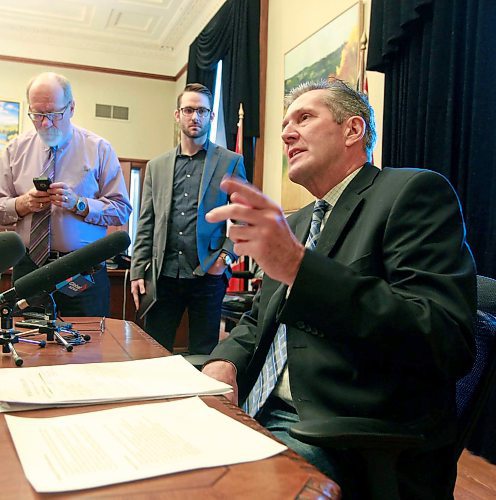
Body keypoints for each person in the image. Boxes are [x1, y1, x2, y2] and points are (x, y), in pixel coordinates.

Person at [202, 79, 476, 499]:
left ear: (353, 130)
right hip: (253, 408)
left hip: (341, 433)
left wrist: (299, 267)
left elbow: (442, 337)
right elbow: (259, 320)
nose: (286, 133)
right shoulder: (295, 223)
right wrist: (226, 363)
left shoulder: (412, 193)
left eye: (305, 118)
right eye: (285, 124)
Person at [0, 72, 132, 316]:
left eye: (53, 114)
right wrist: (22, 204)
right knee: (27, 345)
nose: (45, 123)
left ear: (71, 108)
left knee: (87, 347)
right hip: (29, 268)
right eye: (37, 115)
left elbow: (122, 210)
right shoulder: (14, 150)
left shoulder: (99, 149)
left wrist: (80, 204)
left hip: (83, 270)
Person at [130, 83, 246, 355]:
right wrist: (138, 269)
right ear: (177, 115)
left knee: (204, 355)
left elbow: (244, 217)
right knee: (154, 354)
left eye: (202, 111)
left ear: (211, 116)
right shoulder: (157, 166)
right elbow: (146, 222)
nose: (195, 117)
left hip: (208, 274)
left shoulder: (230, 161)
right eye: (189, 110)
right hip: (163, 277)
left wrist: (224, 259)